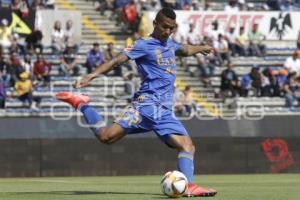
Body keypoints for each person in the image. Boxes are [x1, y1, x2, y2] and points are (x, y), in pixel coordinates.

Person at [56, 7, 217, 197]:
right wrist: (91, 76)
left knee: (185, 146)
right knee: (184, 146)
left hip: (155, 109)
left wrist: (201, 48)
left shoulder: (170, 45)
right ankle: (81, 103)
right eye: (165, 27)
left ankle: (82, 104)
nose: (167, 32)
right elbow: (117, 60)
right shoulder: (143, 44)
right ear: (155, 24)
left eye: (171, 28)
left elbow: (186, 49)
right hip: (149, 107)